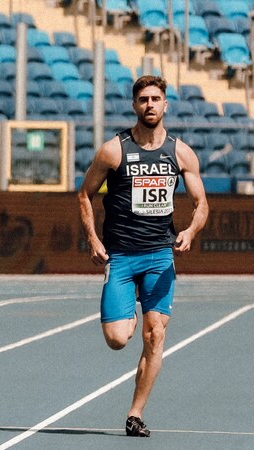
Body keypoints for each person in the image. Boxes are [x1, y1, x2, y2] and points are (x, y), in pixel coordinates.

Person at [77, 75, 209, 437]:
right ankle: (128, 309)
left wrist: (190, 231)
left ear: (166, 105)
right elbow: (84, 194)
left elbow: (201, 204)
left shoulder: (181, 153)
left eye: (156, 99)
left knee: (155, 336)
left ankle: (135, 413)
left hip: (159, 256)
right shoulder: (113, 151)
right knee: (119, 339)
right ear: (135, 106)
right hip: (120, 256)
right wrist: (92, 239)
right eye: (143, 100)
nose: (150, 105)